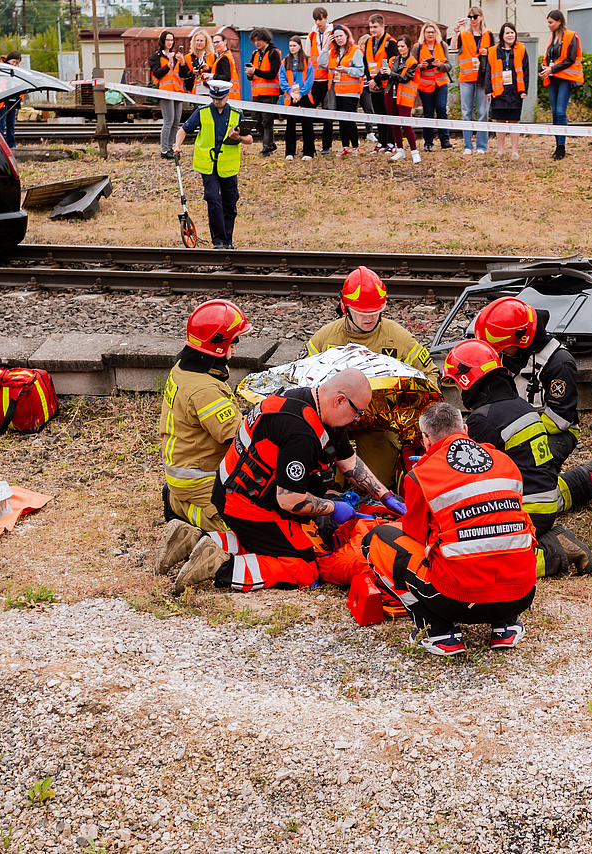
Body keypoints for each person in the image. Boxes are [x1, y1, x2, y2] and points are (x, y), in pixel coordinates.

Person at [174, 368, 404, 594]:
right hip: (248, 505)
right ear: (340, 400)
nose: (357, 420)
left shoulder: (313, 404)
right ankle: (220, 568)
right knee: (304, 569)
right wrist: (333, 508)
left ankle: (195, 541)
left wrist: (385, 496)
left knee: (283, 542)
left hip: (239, 492)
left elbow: (349, 462)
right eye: (358, 412)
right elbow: (290, 500)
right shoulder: (300, 433)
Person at [361, 402, 537, 656]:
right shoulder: (504, 461)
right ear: (465, 429)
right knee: (501, 535)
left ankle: (437, 631)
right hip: (521, 592)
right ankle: (506, 626)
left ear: (425, 439)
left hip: (456, 600)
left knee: (376, 539)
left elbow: (416, 536)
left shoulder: (422, 475)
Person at [443, 341, 592, 579]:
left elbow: (469, 480)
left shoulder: (483, 421)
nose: (459, 392)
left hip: (525, 511)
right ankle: (540, 539)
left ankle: (553, 551)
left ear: (468, 381)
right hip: (543, 503)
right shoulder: (520, 406)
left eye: (456, 383)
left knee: (480, 564)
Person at [473, 296, 592, 512]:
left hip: (555, 433)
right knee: (507, 484)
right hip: (516, 430)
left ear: (521, 340)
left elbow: (560, 420)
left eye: (503, 347)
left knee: (532, 499)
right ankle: (586, 474)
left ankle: (590, 475)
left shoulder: (559, 364)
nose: (499, 352)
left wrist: (517, 437)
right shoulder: (511, 354)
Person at [300, 267, 440, 488]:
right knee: (324, 485)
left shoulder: (397, 338)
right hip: (332, 423)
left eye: (375, 311)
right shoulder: (324, 339)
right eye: (362, 312)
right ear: (345, 307)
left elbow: (430, 375)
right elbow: (297, 382)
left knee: (379, 485)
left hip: (379, 424)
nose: (370, 318)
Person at [156, 299, 252, 572]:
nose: (236, 347)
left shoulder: (184, 370)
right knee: (255, 527)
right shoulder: (205, 389)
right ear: (219, 345)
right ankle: (203, 534)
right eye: (235, 341)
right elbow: (236, 437)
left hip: (182, 473)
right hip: (203, 476)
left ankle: (179, 504)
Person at [173, 79, 254, 250]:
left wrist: (237, 138)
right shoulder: (202, 112)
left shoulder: (236, 114)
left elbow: (250, 139)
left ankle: (228, 240)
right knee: (213, 200)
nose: (217, 101)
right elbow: (183, 130)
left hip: (228, 166)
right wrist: (177, 145)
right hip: (208, 165)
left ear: (227, 96)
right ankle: (218, 241)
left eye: (220, 98)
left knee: (230, 203)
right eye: (214, 98)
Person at [541, 10, 584, 161]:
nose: (549, 25)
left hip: (566, 78)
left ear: (559, 21)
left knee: (560, 111)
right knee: (554, 112)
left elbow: (570, 59)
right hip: (553, 78)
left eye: (551, 22)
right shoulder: (551, 39)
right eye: (548, 22)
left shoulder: (571, 36)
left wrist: (552, 69)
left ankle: (562, 146)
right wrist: (544, 68)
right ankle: (557, 144)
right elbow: (547, 57)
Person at [451, 7, 493, 154]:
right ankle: (467, 146)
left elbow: (495, 54)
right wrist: (456, 30)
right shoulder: (463, 34)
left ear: (481, 17)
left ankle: (481, 146)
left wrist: (488, 52)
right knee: (466, 112)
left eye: (475, 17)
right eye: (470, 17)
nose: (473, 19)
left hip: (483, 78)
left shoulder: (488, 34)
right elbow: (453, 48)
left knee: (483, 112)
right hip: (466, 78)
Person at [486, 22, 530, 159]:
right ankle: (500, 150)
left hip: (515, 91)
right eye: (507, 33)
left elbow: (526, 71)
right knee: (499, 121)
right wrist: (488, 90)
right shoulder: (493, 51)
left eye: (512, 32)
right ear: (502, 35)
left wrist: (524, 90)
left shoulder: (521, 50)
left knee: (514, 121)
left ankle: (514, 151)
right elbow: (488, 71)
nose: (510, 35)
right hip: (498, 92)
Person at [319, 25, 364, 156]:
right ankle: (346, 147)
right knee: (341, 120)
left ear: (346, 36)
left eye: (341, 36)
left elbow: (360, 71)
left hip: (351, 91)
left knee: (349, 120)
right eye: (336, 36)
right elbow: (322, 62)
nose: (339, 39)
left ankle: (355, 147)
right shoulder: (334, 52)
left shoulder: (356, 51)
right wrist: (327, 45)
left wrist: (346, 70)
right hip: (337, 91)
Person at [151, 30, 192, 160]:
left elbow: (184, 74)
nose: (170, 42)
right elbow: (157, 73)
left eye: (171, 40)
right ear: (162, 41)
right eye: (167, 40)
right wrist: (168, 65)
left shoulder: (176, 56)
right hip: (166, 91)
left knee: (175, 122)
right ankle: (164, 150)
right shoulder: (156, 56)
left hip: (177, 92)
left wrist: (183, 62)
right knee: (168, 121)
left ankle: (171, 147)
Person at [363, 15, 400, 155]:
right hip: (374, 84)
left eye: (375, 27)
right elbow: (366, 62)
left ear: (382, 27)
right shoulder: (368, 42)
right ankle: (382, 142)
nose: (372, 30)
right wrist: (370, 80)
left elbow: (391, 66)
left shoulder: (390, 43)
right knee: (378, 115)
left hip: (386, 85)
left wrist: (377, 80)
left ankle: (391, 143)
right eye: (371, 27)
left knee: (388, 114)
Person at [414, 21, 453, 152]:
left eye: (432, 32)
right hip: (425, 86)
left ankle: (445, 140)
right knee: (428, 113)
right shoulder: (418, 47)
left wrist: (439, 65)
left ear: (436, 33)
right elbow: (412, 67)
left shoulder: (442, 45)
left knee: (441, 110)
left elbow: (449, 66)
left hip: (440, 83)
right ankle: (428, 142)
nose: (430, 34)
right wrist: (421, 66)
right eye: (428, 32)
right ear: (423, 34)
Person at [245, 28, 281, 157]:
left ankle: (267, 148)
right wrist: (250, 74)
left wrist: (255, 72)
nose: (256, 43)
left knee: (267, 121)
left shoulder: (274, 53)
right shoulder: (255, 54)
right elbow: (253, 73)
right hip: (257, 93)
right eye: (254, 40)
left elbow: (272, 73)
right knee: (255, 120)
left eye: (258, 40)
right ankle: (270, 143)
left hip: (270, 92)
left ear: (265, 39)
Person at [387, 34, 422, 163]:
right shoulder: (393, 60)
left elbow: (406, 78)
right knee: (394, 124)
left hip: (405, 95)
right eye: (398, 46)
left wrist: (390, 74)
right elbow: (390, 76)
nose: (400, 49)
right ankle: (400, 150)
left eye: (402, 46)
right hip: (391, 93)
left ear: (408, 47)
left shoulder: (412, 62)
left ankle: (414, 151)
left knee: (406, 124)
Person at [281, 35, 316, 162]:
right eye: (290, 46)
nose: (292, 48)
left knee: (307, 124)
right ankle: (289, 152)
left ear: (300, 46)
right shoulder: (285, 62)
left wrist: (301, 94)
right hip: (291, 97)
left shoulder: (307, 61)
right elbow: (282, 79)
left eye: (294, 45)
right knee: (290, 124)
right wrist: (291, 92)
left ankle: (309, 151)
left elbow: (309, 80)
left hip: (305, 97)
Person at [309, 6, 337, 156]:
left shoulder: (333, 34)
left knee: (328, 115)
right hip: (315, 80)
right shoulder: (311, 36)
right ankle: (310, 146)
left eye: (320, 19)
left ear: (326, 18)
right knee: (310, 114)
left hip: (328, 80)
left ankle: (327, 146)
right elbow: (308, 58)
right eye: (316, 20)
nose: (318, 22)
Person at [0, 51, 23, 149]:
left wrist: (20, 96)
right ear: (8, 59)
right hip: (1, 100)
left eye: (17, 63)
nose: (15, 64)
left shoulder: (15, 70)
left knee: (11, 125)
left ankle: (11, 146)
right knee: (1, 124)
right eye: (13, 62)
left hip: (12, 99)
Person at [210, 32, 241, 101]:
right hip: (231, 94)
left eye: (217, 42)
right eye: (214, 43)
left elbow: (226, 77)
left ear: (225, 42)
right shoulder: (227, 55)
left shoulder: (224, 57)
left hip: (226, 94)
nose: (215, 45)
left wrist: (210, 76)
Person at [186, 29, 215, 96]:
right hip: (194, 90)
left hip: (209, 89)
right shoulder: (188, 57)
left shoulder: (212, 56)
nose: (199, 43)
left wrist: (208, 69)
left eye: (201, 41)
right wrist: (192, 73)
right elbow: (184, 73)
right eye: (197, 40)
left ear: (206, 42)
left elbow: (217, 72)